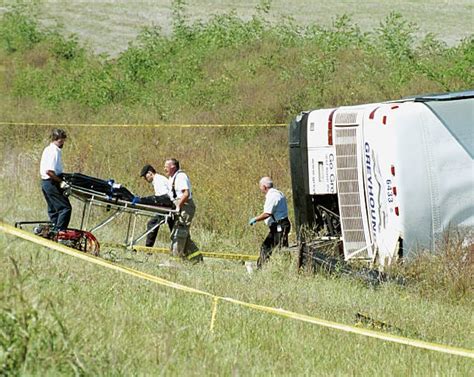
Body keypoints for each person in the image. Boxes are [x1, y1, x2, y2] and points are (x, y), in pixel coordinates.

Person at [248, 176, 291, 268]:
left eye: (260, 187)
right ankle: (287, 267)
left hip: (279, 226)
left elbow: (267, 214)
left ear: (264, 187)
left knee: (269, 247)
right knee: (282, 248)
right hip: (281, 225)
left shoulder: (272, 196)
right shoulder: (278, 193)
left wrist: (255, 219)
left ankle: (261, 268)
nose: (260, 189)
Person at [164, 158, 201, 261]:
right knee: (184, 236)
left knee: (179, 233)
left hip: (185, 206)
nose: (164, 169)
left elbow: (186, 193)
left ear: (173, 167)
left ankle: (175, 260)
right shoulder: (172, 178)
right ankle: (197, 259)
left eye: (166, 167)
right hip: (179, 205)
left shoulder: (180, 176)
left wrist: (178, 206)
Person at [39, 128, 72, 232]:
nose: (63, 143)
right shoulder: (54, 151)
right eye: (62, 140)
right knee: (65, 208)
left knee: (53, 210)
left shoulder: (47, 149)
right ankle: (60, 233)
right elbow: (49, 171)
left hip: (45, 183)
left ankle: (52, 233)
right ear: (58, 139)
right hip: (51, 182)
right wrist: (61, 182)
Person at [139, 164, 173, 247]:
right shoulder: (158, 179)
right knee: (174, 231)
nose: (145, 179)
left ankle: (148, 249)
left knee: (152, 223)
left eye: (145, 176)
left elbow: (164, 198)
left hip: (169, 208)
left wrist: (146, 201)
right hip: (169, 207)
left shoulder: (158, 180)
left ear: (150, 173)